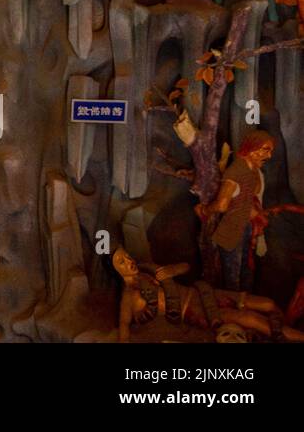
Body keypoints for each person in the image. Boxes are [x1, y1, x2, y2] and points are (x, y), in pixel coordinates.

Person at [113, 247, 300, 342]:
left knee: (267, 304)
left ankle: (287, 329)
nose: (128, 260)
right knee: (252, 319)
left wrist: (172, 270)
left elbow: (185, 267)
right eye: (121, 261)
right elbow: (124, 327)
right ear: (117, 271)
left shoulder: (147, 269)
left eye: (127, 256)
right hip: (195, 311)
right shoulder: (129, 297)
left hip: (202, 294)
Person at [198, 131, 275, 292]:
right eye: (265, 150)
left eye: (270, 151)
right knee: (241, 273)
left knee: (234, 276)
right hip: (239, 229)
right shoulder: (245, 171)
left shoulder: (245, 170)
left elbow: (221, 206)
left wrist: (204, 209)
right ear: (252, 148)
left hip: (235, 230)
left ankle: (240, 311)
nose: (269, 156)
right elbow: (228, 203)